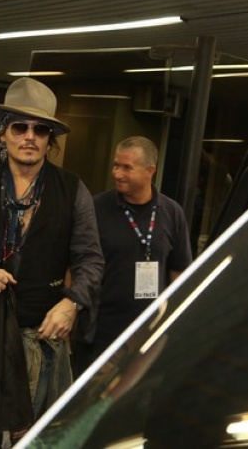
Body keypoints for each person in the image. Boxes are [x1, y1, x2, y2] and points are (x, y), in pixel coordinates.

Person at [0, 77, 104, 446]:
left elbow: (91, 259)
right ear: (2, 134)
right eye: (20, 127)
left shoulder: (72, 190)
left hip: (38, 338)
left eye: (40, 129)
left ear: (49, 139)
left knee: (30, 439)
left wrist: (72, 305)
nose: (30, 136)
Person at [90, 136, 192, 361]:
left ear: (150, 170)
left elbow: (179, 272)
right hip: (103, 331)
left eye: (127, 168)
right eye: (116, 165)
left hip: (151, 331)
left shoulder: (172, 212)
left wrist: (173, 321)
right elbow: (76, 265)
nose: (117, 173)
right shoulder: (96, 208)